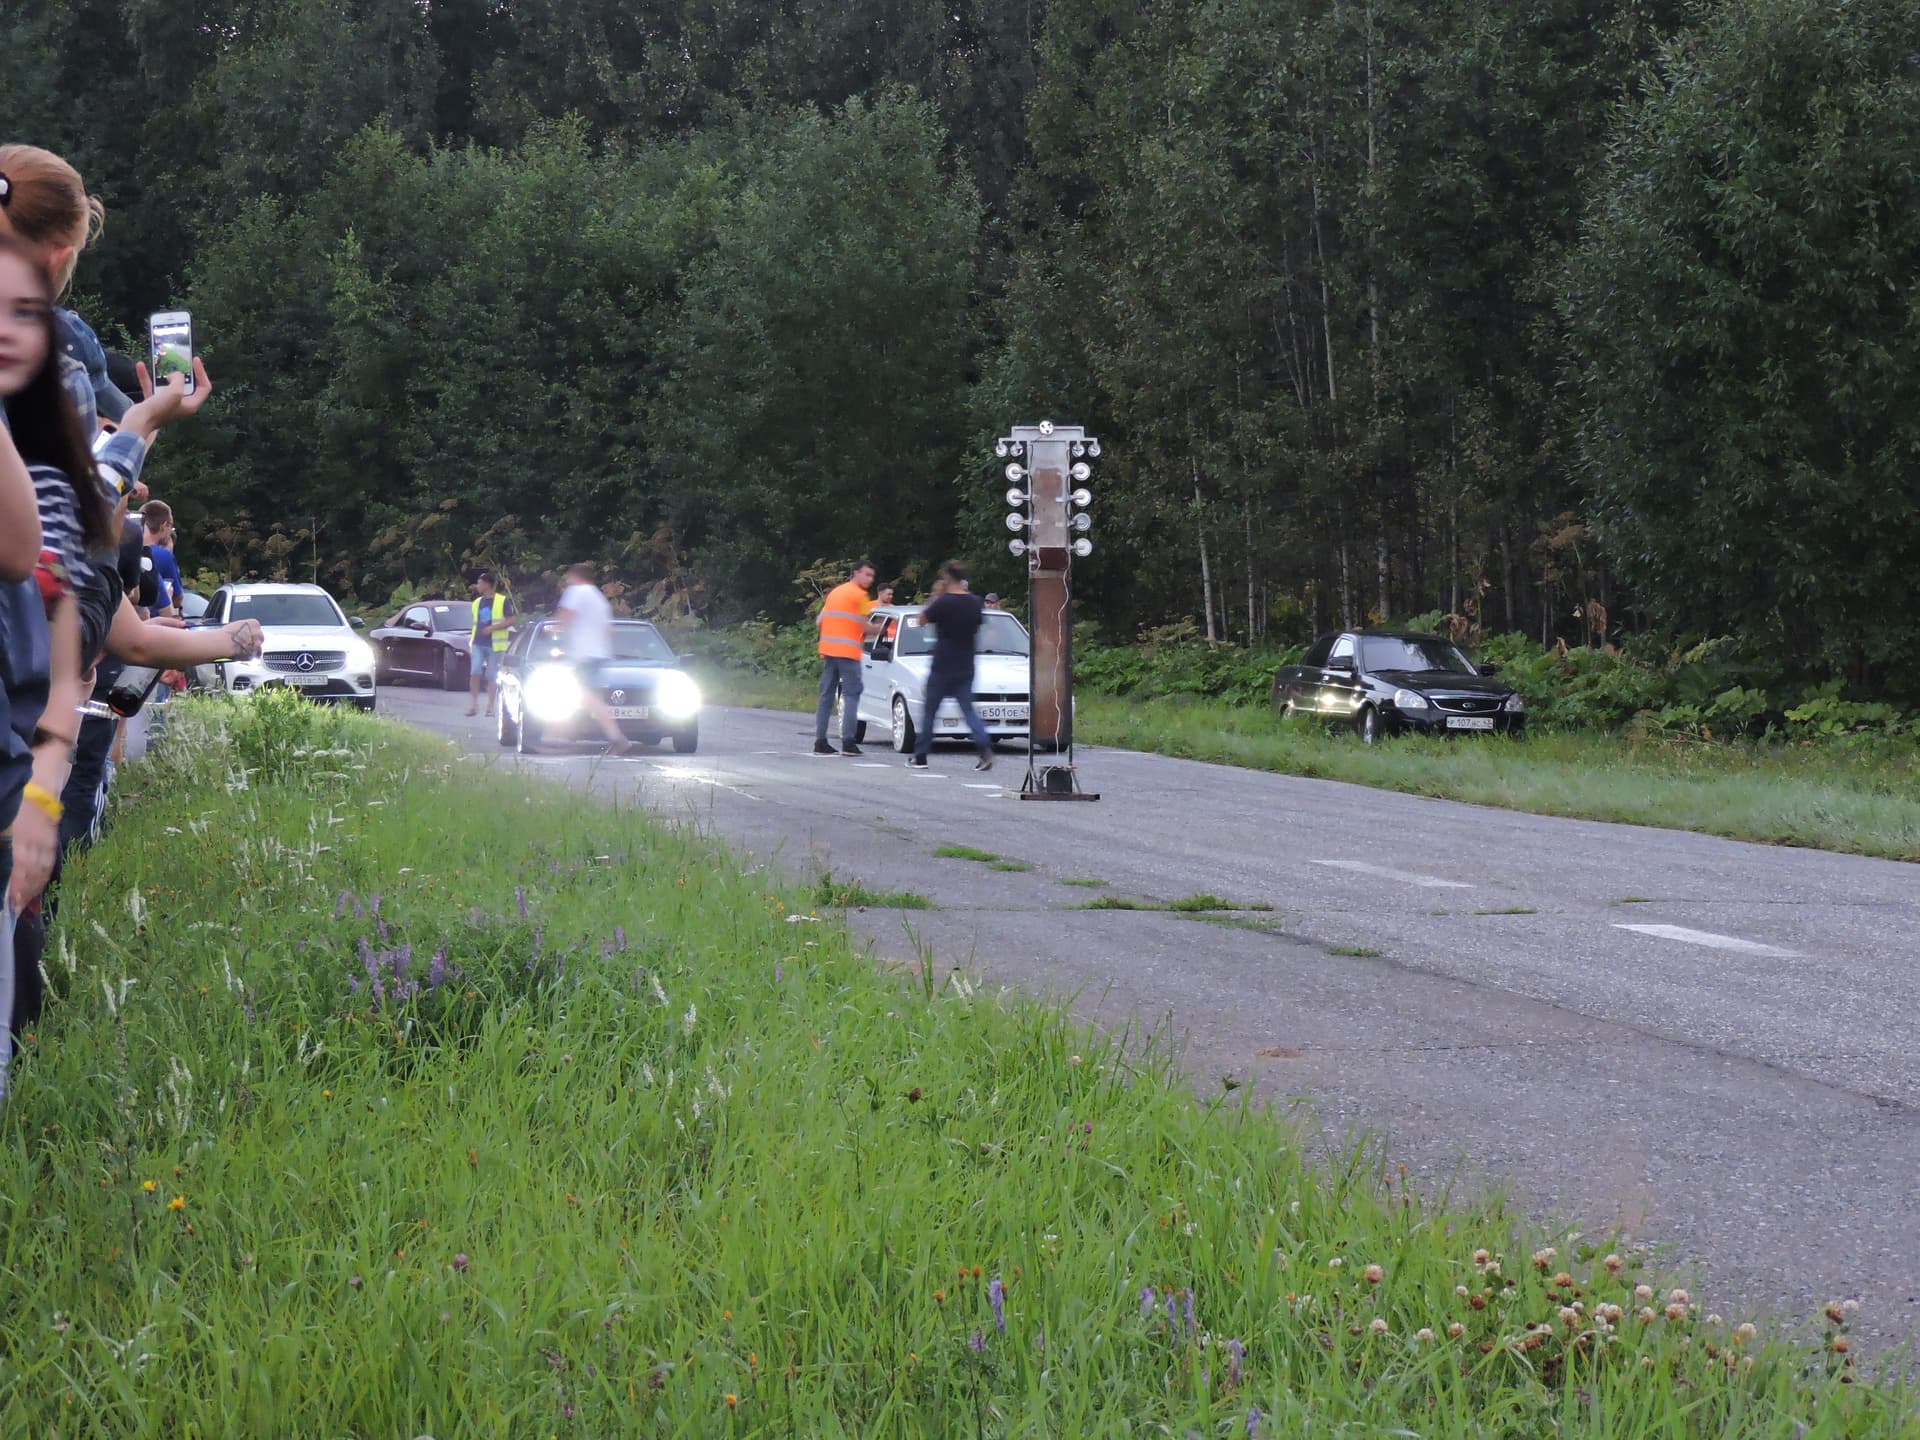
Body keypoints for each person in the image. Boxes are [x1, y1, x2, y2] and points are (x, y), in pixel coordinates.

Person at [910, 560, 993, 772]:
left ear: (947, 577)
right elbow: (978, 626)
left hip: (942, 664)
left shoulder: (943, 602)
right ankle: (984, 748)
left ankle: (920, 756)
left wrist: (934, 598)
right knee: (968, 710)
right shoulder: (975, 602)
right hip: (966, 664)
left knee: (930, 711)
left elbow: (921, 620)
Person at [814, 560, 892, 756]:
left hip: (829, 651)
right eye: (867, 574)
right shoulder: (860, 596)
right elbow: (864, 625)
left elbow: (819, 621)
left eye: (872, 576)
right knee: (851, 695)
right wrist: (879, 629)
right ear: (856, 573)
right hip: (848, 653)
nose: (870, 579)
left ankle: (820, 741)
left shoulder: (835, 593)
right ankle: (848, 742)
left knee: (826, 696)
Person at [551, 562, 630, 752]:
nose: (568, 581)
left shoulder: (576, 592)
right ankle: (615, 736)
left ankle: (553, 735)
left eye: (569, 577)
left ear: (576, 576)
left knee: (579, 693)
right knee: (592, 698)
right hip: (599, 654)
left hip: (583, 655)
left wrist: (553, 632)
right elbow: (608, 629)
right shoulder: (598, 597)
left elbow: (564, 617)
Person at [466, 570, 514, 718]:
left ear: (487, 584)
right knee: (475, 672)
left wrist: (493, 628)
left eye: (479, 583)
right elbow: (475, 623)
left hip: (494, 645)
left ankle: (490, 707)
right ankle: (473, 705)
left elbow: (510, 620)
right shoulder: (477, 602)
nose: (477, 585)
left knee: (491, 675)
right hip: (478, 643)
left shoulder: (502, 600)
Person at [139, 500, 183, 617]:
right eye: (171, 526)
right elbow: (178, 598)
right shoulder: (164, 555)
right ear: (164, 525)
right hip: (157, 621)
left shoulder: (126, 550)